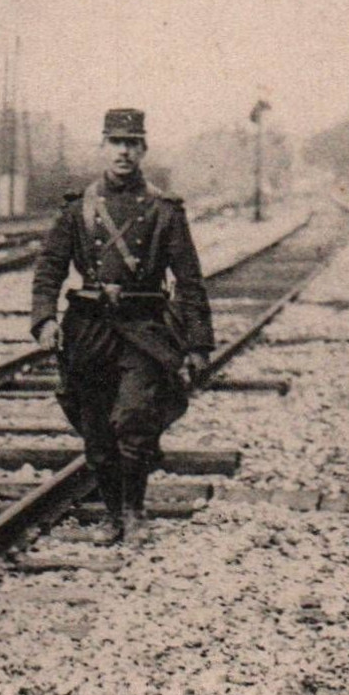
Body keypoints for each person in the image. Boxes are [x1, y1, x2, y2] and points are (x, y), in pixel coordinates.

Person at [29, 108, 214, 544]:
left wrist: (198, 343)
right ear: (102, 148)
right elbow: (50, 267)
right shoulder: (78, 210)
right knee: (95, 429)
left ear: (144, 149)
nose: (124, 151)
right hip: (89, 330)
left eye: (132, 143)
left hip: (144, 329)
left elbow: (189, 280)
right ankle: (112, 514)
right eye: (116, 142)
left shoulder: (164, 210)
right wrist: (43, 319)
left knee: (134, 420)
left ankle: (134, 510)